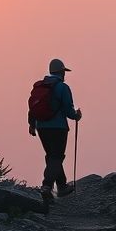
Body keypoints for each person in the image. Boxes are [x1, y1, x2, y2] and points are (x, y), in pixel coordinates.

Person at [28, 58, 82, 205]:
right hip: (58, 127)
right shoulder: (63, 87)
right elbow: (68, 110)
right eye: (64, 72)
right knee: (56, 157)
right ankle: (46, 186)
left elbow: (32, 108)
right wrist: (77, 115)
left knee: (52, 157)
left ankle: (62, 186)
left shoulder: (40, 86)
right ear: (61, 72)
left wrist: (32, 125)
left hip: (41, 127)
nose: (65, 75)